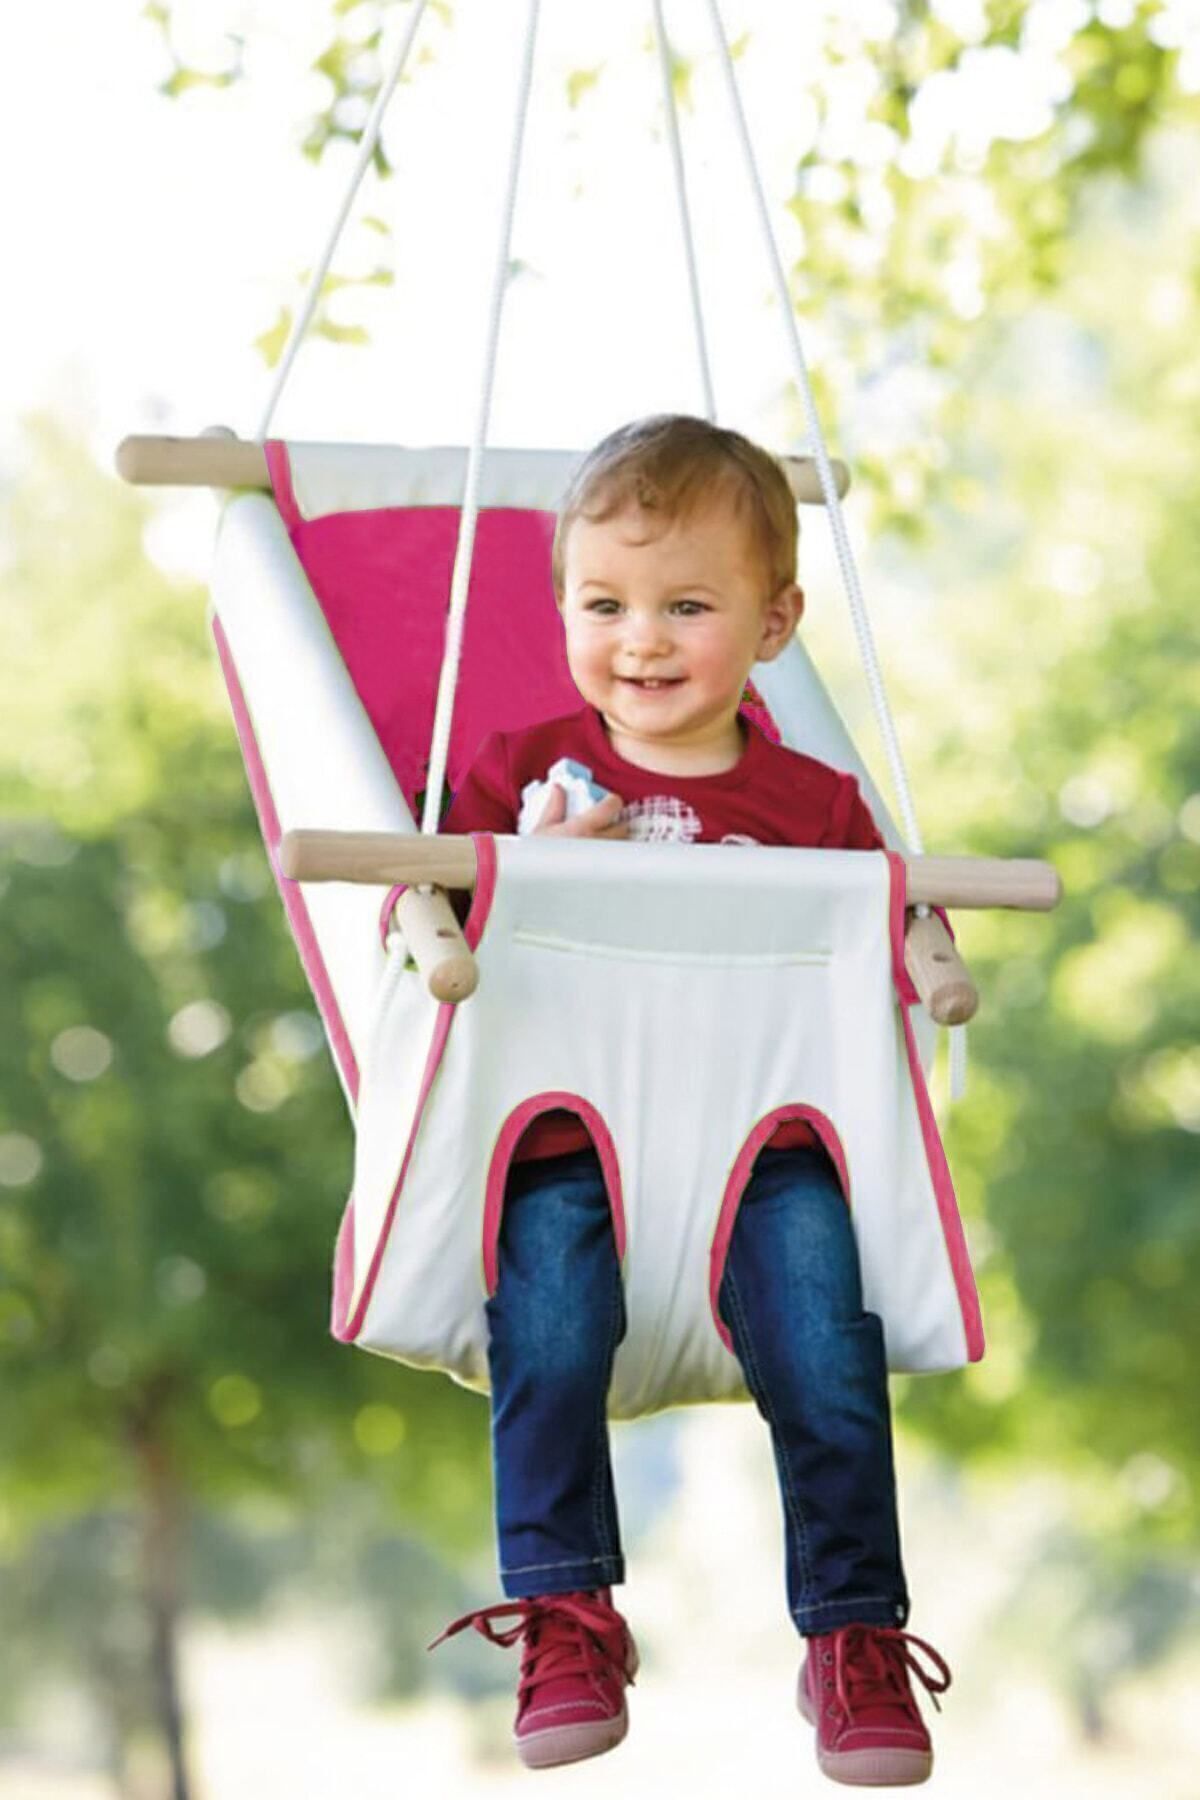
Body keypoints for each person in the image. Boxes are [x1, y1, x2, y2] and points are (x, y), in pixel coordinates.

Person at [428, 416, 952, 1785]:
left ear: (775, 625)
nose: (641, 640)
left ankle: (853, 1634)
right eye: (604, 605)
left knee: (827, 1337)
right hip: (562, 1140)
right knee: (542, 1320)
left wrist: (924, 941)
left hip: (758, 1144)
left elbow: (895, 927)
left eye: (687, 607)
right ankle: (563, 1606)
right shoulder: (518, 768)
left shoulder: (814, 804)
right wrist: (525, 865)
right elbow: (423, 907)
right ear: (562, 612)